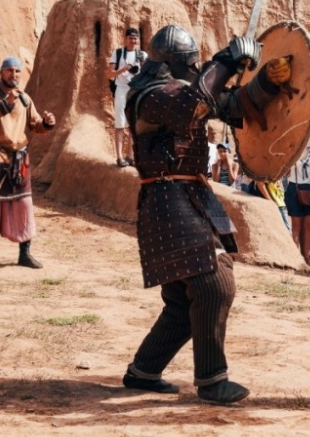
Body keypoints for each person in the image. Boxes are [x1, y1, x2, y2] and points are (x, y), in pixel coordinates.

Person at [121, 25, 291, 405]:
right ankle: (212, 382)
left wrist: (264, 79)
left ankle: (144, 371)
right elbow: (192, 106)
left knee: (184, 300)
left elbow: (232, 107)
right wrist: (227, 59)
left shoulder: (185, 91)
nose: (193, 72)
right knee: (214, 285)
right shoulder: (150, 95)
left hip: (188, 194)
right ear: (174, 65)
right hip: (168, 197)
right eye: (190, 66)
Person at [0, 57, 56, 272]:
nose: (14, 75)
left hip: (18, 158)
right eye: (10, 70)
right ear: (1, 73)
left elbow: (34, 124)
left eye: (17, 71)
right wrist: (4, 104)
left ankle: (24, 254)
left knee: (23, 204)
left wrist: (46, 123)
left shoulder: (25, 98)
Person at [106, 27, 147, 167]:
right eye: (130, 38)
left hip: (135, 90)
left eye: (135, 38)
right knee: (119, 124)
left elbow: (147, 74)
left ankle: (131, 156)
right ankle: (119, 157)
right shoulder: (117, 54)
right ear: (125, 39)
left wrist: (138, 75)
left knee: (133, 125)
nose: (133, 40)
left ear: (138, 40)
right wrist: (122, 70)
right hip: (121, 90)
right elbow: (109, 74)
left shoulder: (142, 55)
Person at [284, 135, 310, 267]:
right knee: (296, 226)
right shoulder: (293, 148)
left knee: (309, 226)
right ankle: (295, 258)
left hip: (309, 187)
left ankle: (306, 257)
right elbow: (287, 165)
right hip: (294, 186)